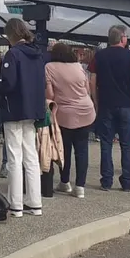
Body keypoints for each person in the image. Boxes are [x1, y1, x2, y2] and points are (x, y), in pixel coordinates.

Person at [0, 17, 47, 216]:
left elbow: (9, 84)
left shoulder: (13, 54)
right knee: (31, 156)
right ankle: (35, 202)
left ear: (10, 34)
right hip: (32, 110)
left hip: (14, 109)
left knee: (14, 157)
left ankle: (15, 204)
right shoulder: (38, 54)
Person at [89, 24, 130, 193]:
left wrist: (96, 102)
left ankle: (106, 181)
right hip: (126, 105)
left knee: (106, 144)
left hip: (106, 104)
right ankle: (127, 181)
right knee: (126, 144)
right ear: (122, 38)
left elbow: (92, 82)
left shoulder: (99, 56)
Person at [45, 41, 95, 199]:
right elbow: (87, 89)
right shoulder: (78, 66)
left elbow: (50, 94)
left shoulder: (49, 67)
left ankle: (64, 182)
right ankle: (80, 186)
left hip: (64, 114)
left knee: (64, 149)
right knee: (82, 150)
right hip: (85, 111)